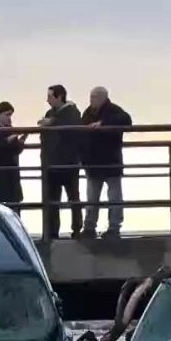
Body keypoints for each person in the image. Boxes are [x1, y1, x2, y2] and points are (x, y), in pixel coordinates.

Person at [81, 86, 132, 239]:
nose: (92, 100)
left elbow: (126, 120)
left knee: (114, 197)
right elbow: (81, 131)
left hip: (110, 161)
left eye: (95, 97)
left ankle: (114, 227)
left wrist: (103, 123)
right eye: (91, 96)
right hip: (94, 162)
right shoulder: (88, 112)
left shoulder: (114, 111)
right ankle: (89, 227)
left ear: (103, 97)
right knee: (92, 198)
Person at [38, 84, 84, 241]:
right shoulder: (51, 113)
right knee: (52, 201)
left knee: (73, 197)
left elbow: (71, 131)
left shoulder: (72, 113)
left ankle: (77, 230)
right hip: (52, 164)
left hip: (68, 163)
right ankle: (51, 232)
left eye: (50, 97)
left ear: (59, 97)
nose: (47, 100)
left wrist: (51, 124)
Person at [0, 102, 26, 208]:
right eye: (7, 115)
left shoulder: (9, 128)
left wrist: (21, 139)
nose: (9, 118)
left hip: (10, 175)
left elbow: (16, 150)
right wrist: (9, 140)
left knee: (13, 205)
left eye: (10, 115)